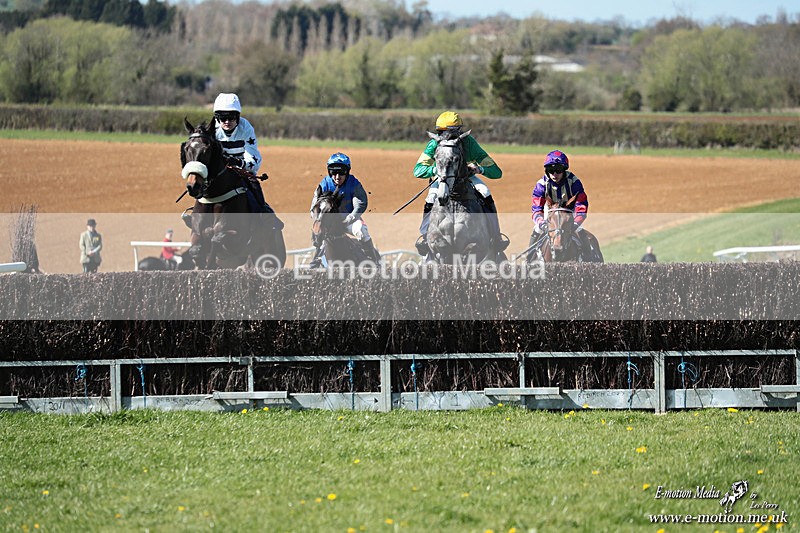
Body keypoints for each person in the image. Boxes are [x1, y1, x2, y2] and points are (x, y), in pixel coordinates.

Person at [412, 111, 507, 256]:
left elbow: (496, 171)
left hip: (465, 178)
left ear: (458, 131)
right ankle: (425, 237)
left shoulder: (469, 143)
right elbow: (418, 170)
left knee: (484, 191)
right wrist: (437, 170)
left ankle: (495, 236)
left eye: (450, 132)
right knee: (431, 197)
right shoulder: (434, 144)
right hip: (443, 178)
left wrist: (479, 169)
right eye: (442, 132)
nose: (446, 136)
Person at [309, 152, 380, 266]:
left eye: (341, 173)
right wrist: (319, 219)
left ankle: (373, 260)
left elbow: (360, 204)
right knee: (320, 232)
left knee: (361, 230)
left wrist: (349, 218)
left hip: (349, 218)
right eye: (334, 172)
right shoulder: (324, 184)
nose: (337, 177)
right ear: (329, 172)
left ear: (347, 172)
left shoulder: (354, 183)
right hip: (330, 221)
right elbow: (314, 206)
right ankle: (316, 259)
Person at [530, 149, 599, 258]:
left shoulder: (574, 182)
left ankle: (589, 259)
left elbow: (581, 206)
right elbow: (536, 210)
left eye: (558, 170)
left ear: (564, 170)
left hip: (568, 213)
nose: (554, 174)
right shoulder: (541, 184)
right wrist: (542, 223)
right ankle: (529, 261)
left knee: (579, 229)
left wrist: (575, 223)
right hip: (550, 211)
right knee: (537, 229)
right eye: (550, 170)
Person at [213, 92, 262, 174]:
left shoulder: (246, 128)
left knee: (254, 186)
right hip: (219, 172)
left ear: (238, 117)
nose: (227, 122)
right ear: (217, 118)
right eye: (223, 118)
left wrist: (237, 162)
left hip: (242, 171)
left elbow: (253, 164)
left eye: (231, 117)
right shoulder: (212, 130)